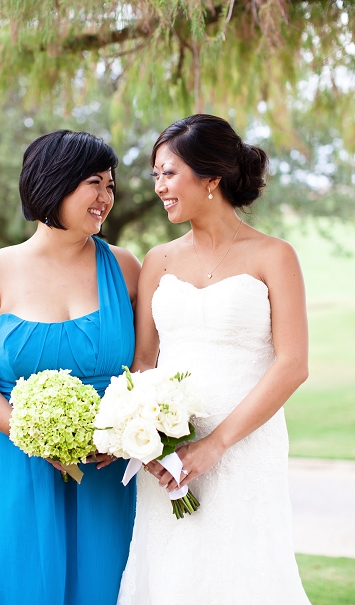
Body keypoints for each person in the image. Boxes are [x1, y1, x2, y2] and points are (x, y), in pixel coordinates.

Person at [117, 114, 310, 604]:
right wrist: (152, 441)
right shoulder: (158, 259)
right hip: (170, 453)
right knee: (172, 569)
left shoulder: (274, 255)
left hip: (245, 445)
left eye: (169, 172)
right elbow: (144, 361)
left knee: (244, 569)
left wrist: (216, 445)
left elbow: (292, 364)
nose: (159, 186)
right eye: (156, 174)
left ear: (211, 178)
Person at [0, 130, 141, 605]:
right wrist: (30, 432)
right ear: (54, 183)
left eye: (110, 186)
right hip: (20, 461)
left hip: (104, 467)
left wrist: (123, 432)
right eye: (93, 183)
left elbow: (146, 367)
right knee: (23, 584)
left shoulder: (127, 267)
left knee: (106, 585)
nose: (105, 198)